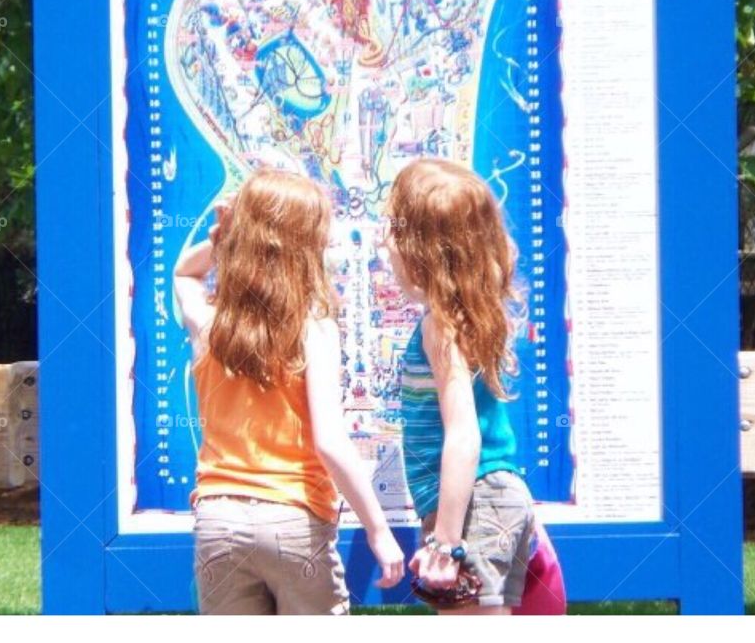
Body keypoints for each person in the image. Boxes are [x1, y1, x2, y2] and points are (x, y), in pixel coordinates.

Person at [174, 168, 404, 615]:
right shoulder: (312, 330)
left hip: (218, 518)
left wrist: (226, 238)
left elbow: (184, 274)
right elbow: (330, 443)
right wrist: (378, 529)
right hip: (294, 517)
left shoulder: (210, 325)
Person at [382, 158, 538, 614]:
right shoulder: (466, 314)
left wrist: (446, 543)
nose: (384, 240)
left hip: (474, 506)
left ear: (419, 247)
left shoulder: (440, 327)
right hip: (494, 498)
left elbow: (465, 434)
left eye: (393, 227)